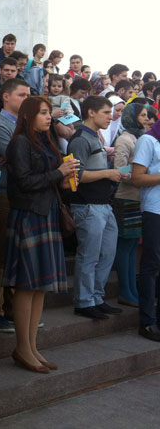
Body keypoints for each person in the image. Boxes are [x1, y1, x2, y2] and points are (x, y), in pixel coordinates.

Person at [4, 96, 79, 372]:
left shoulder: (45, 140)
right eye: (43, 113)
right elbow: (23, 182)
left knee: (40, 287)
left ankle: (32, 346)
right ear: (28, 116)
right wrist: (58, 172)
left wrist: (66, 177)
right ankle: (23, 348)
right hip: (28, 215)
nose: (49, 117)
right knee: (27, 285)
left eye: (49, 112)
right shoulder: (20, 142)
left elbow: (48, 178)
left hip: (46, 213)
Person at [68, 96, 126, 319]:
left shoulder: (94, 136)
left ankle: (97, 297)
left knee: (107, 253)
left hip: (103, 203)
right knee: (89, 255)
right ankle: (84, 301)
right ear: (91, 112)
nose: (110, 117)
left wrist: (112, 173)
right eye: (106, 112)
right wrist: (107, 173)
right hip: (87, 204)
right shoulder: (81, 138)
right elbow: (76, 176)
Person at [0, 78, 31, 332]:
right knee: (1, 253)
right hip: (3, 193)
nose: (26, 100)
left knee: (19, 253)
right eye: (22, 95)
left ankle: (14, 308)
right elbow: (21, 158)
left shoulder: (27, 124)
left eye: (28, 95)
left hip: (24, 193)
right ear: (6, 97)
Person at [113, 103, 152, 309]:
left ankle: (132, 290)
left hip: (138, 198)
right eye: (142, 115)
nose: (146, 119)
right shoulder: (124, 139)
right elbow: (119, 170)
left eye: (147, 115)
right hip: (126, 197)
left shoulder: (140, 137)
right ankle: (125, 291)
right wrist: (141, 176)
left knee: (133, 245)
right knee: (126, 245)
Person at [131, 118, 160, 341]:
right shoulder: (148, 140)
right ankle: (147, 321)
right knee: (151, 264)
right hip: (154, 210)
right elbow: (137, 177)